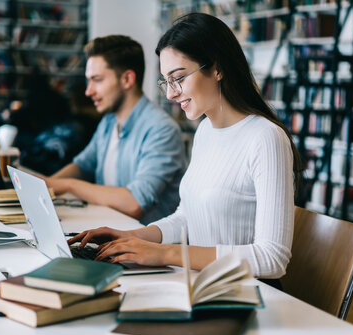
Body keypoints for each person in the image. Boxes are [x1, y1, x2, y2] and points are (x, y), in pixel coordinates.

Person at [69, 13, 303, 281]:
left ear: (216, 68)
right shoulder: (205, 130)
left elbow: (272, 259)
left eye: (178, 78)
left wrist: (166, 254)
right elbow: (187, 217)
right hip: (198, 282)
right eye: (166, 81)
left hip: (244, 293)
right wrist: (131, 237)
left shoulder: (265, 138)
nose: (170, 94)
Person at [45, 35, 186, 225]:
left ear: (127, 79)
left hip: (145, 248)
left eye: (97, 80)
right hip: (110, 235)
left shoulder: (162, 129)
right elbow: (83, 165)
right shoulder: (109, 121)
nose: (88, 91)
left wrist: (66, 186)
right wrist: (42, 187)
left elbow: (135, 202)